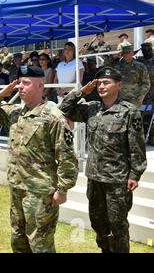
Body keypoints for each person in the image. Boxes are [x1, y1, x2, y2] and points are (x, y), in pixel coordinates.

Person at [0, 66, 78, 253]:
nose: (20, 87)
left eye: (26, 83)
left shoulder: (53, 116)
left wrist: (63, 189)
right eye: (19, 83)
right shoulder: (16, 112)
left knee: (40, 244)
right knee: (18, 240)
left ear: (41, 85)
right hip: (17, 187)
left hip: (40, 192)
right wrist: (0, 95)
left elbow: (66, 156)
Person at [59, 67, 147, 253]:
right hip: (95, 178)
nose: (101, 86)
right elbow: (63, 109)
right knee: (98, 223)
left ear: (119, 85)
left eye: (106, 82)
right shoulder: (92, 109)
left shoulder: (129, 112)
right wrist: (82, 92)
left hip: (117, 180)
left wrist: (135, 174)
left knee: (118, 226)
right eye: (99, 83)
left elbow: (137, 146)